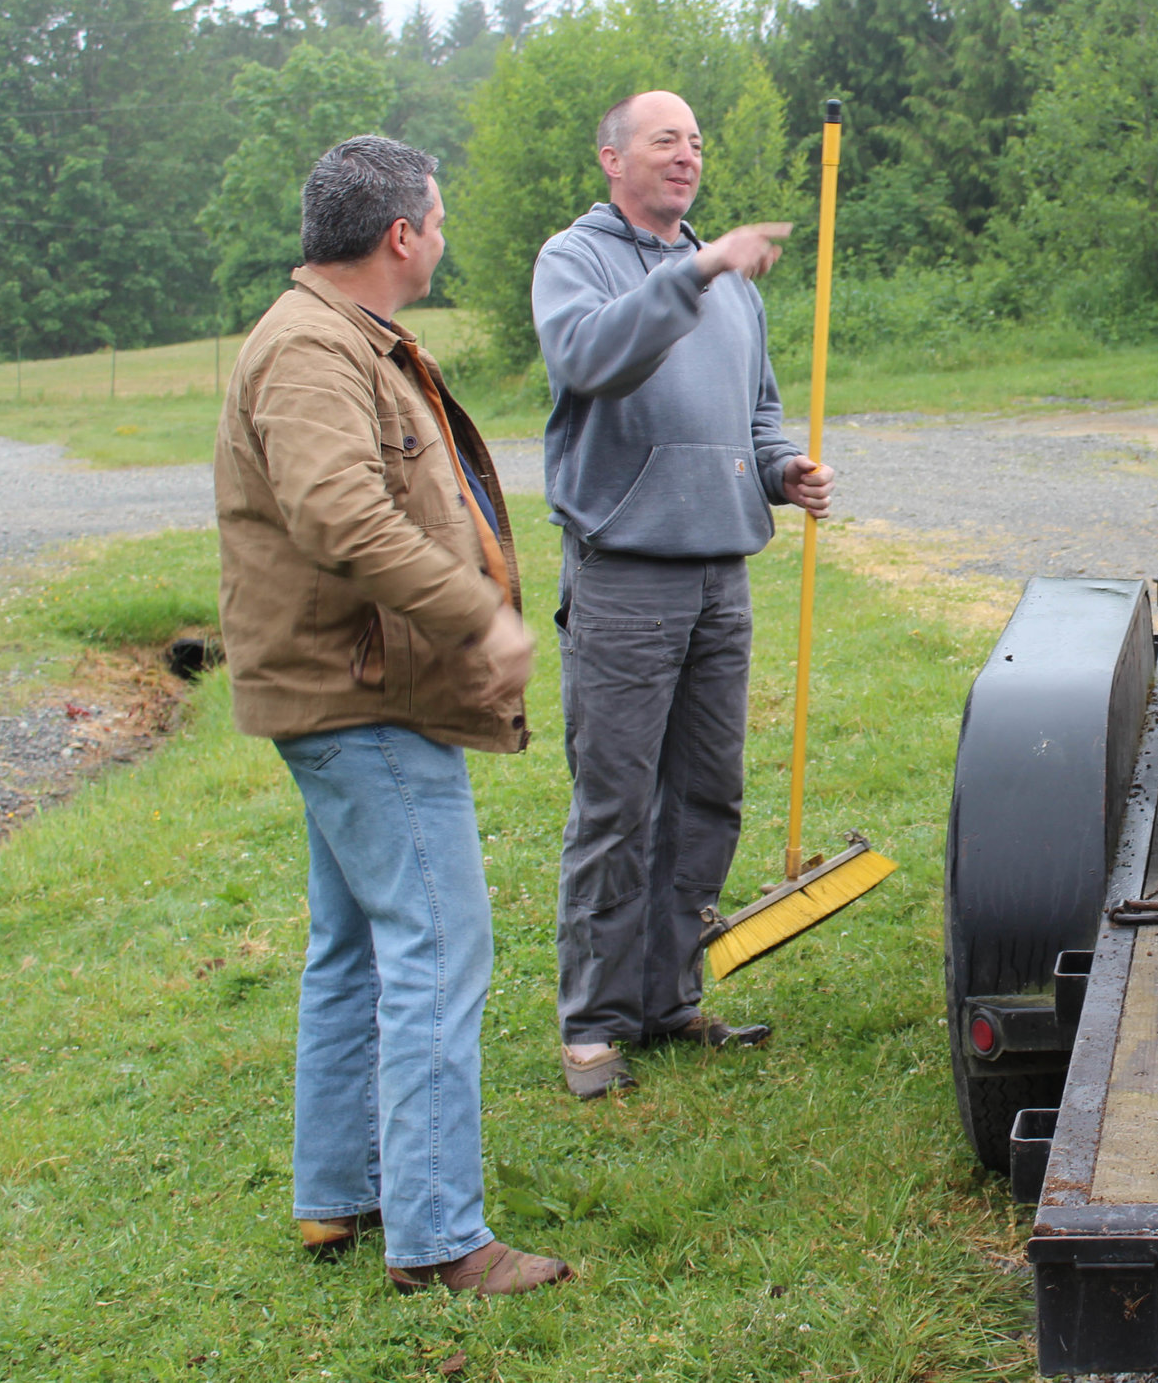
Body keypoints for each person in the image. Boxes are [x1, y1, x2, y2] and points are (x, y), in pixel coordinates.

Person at [215, 135, 568, 1295]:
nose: (445, 234)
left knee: (357, 942)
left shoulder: (331, 332)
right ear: (400, 235)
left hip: (345, 685)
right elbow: (339, 517)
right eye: (441, 217)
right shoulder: (313, 347)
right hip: (360, 695)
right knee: (436, 942)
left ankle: (341, 1195)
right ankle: (438, 1235)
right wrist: (479, 612)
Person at [533, 90, 836, 1100]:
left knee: (707, 795)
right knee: (615, 800)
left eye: (697, 140)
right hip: (623, 567)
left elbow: (756, 412)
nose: (687, 154)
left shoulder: (732, 284)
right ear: (611, 155)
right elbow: (590, 355)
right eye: (666, 138)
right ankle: (593, 1023)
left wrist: (781, 469)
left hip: (720, 569)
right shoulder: (575, 261)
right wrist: (697, 268)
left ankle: (666, 998)